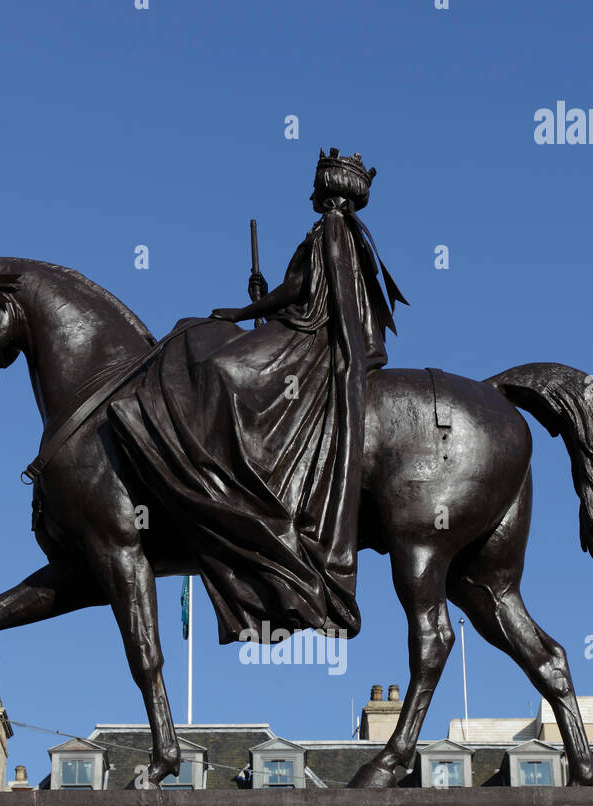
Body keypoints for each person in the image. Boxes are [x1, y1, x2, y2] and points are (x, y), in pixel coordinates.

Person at [110, 149, 406, 646]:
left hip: (311, 338)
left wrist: (253, 312)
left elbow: (313, 294)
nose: (314, 192)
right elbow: (298, 288)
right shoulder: (332, 232)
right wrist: (252, 306)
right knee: (204, 337)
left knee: (224, 366)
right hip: (300, 326)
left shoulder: (332, 229)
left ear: (330, 189)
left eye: (319, 183)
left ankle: (224, 463)